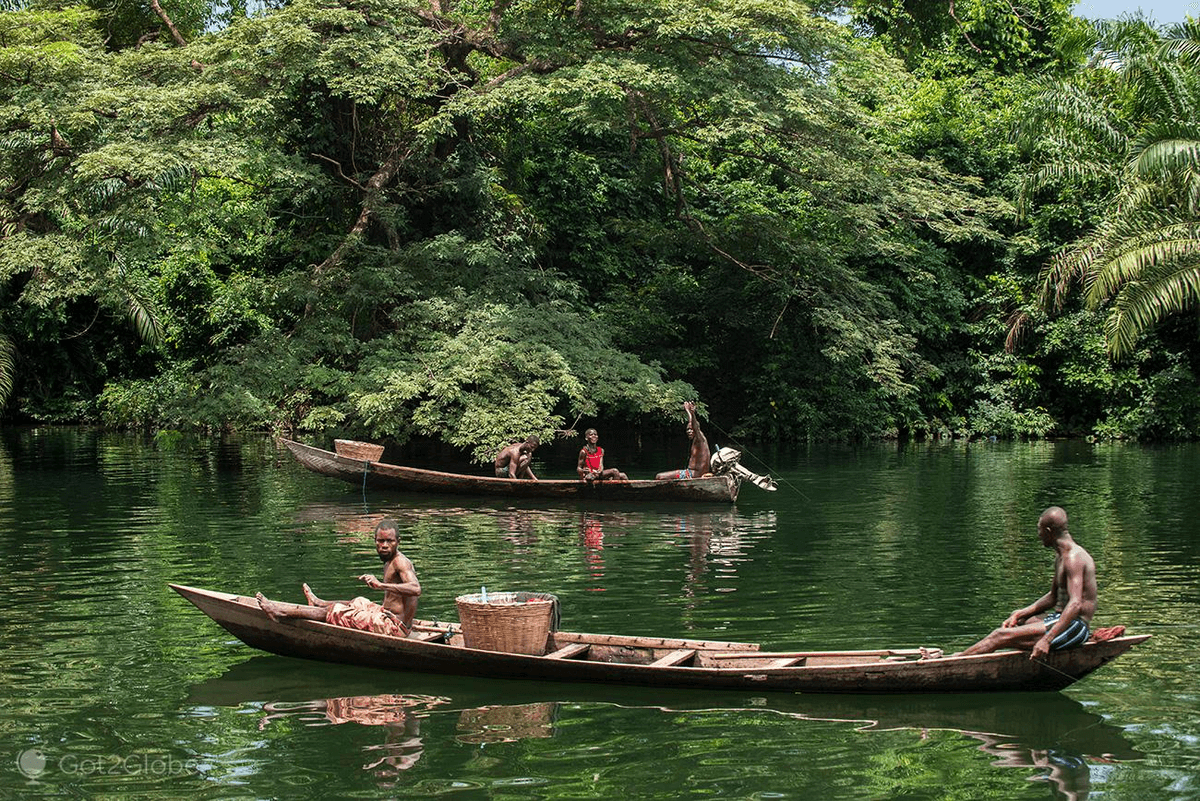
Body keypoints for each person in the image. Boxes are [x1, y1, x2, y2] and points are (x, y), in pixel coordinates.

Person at [952, 506, 1096, 659]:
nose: (1038, 535)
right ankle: (973, 653)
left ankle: (954, 660)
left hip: (1075, 626)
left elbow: (1075, 604)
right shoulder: (1060, 556)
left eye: (1039, 530)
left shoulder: (1073, 558)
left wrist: (1047, 640)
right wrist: (1021, 612)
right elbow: (1053, 597)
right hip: (1061, 620)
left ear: (1048, 531)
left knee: (999, 635)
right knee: (1020, 620)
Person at [256, 518, 421, 637]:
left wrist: (380, 586)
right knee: (358, 602)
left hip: (394, 627)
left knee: (336, 612)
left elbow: (415, 589)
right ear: (375, 541)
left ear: (398, 541)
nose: (384, 545)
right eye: (381, 541)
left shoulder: (401, 562)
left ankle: (280, 612)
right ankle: (318, 602)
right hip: (387, 614)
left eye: (389, 541)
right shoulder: (389, 560)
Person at [655, 401, 711, 480]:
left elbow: (695, 427)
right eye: (687, 429)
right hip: (691, 472)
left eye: (691, 430)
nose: (689, 431)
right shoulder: (698, 440)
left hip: (693, 474)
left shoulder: (700, 439)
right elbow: (692, 424)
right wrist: (689, 413)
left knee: (660, 476)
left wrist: (691, 413)